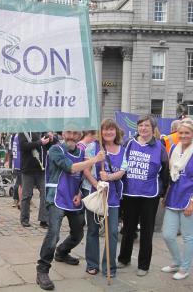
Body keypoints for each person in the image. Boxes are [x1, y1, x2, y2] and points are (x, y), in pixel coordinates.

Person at [36, 130, 105, 290]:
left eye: (75, 133)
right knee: (53, 234)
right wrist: (94, 159)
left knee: (78, 233)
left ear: (79, 135)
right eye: (68, 133)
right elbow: (71, 168)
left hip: (73, 199)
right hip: (56, 198)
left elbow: (82, 175)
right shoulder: (55, 150)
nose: (71, 136)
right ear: (63, 133)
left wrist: (80, 193)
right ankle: (42, 270)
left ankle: (61, 252)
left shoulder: (81, 152)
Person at [117, 115, 169, 276]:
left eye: (147, 125)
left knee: (147, 231)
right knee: (128, 228)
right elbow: (121, 164)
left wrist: (163, 192)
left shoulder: (159, 146)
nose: (143, 128)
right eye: (141, 125)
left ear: (153, 129)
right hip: (130, 192)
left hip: (149, 194)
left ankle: (144, 265)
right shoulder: (129, 143)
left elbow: (165, 171)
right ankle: (124, 259)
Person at [84, 119, 127, 277]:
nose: (108, 132)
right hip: (96, 194)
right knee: (93, 230)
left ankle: (109, 266)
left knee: (113, 233)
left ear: (116, 132)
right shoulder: (93, 147)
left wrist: (108, 177)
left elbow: (122, 171)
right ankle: (92, 264)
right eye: (105, 130)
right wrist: (97, 184)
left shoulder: (123, 150)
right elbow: (86, 169)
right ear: (101, 132)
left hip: (113, 196)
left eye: (111, 130)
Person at [162, 118, 193, 280]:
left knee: (188, 237)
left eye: (187, 133)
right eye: (181, 132)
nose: (183, 135)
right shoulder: (174, 147)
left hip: (189, 199)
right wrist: (165, 194)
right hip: (173, 196)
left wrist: (192, 202)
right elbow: (170, 174)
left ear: (192, 134)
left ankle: (185, 268)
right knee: (167, 234)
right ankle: (176, 261)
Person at [18, 132, 53, 228]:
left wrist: (51, 139)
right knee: (27, 195)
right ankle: (24, 219)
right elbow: (23, 146)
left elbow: (48, 146)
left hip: (41, 169)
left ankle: (44, 220)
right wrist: (39, 142)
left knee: (45, 194)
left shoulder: (41, 130)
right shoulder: (23, 132)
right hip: (28, 169)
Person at [10, 133, 22, 208]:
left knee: (19, 182)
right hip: (20, 161)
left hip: (17, 161)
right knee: (20, 183)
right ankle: (17, 200)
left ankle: (16, 199)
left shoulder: (15, 136)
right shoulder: (19, 136)